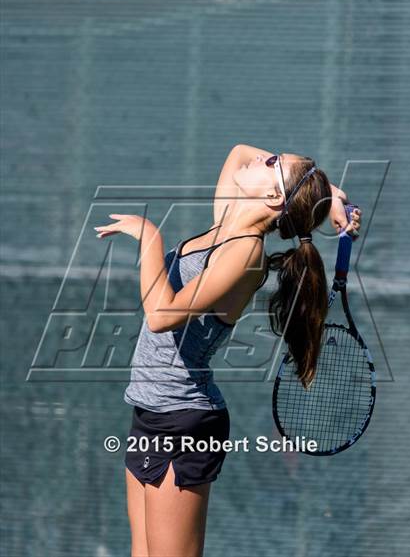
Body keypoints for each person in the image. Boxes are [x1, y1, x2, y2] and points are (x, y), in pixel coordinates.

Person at [94, 144, 362, 557]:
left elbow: (162, 314)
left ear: (274, 198)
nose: (261, 157)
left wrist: (149, 234)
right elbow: (239, 152)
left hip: (183, 424)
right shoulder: (225, 223)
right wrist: (329, 197)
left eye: (272, 163)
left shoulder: (245, 253)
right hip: (149, 409)